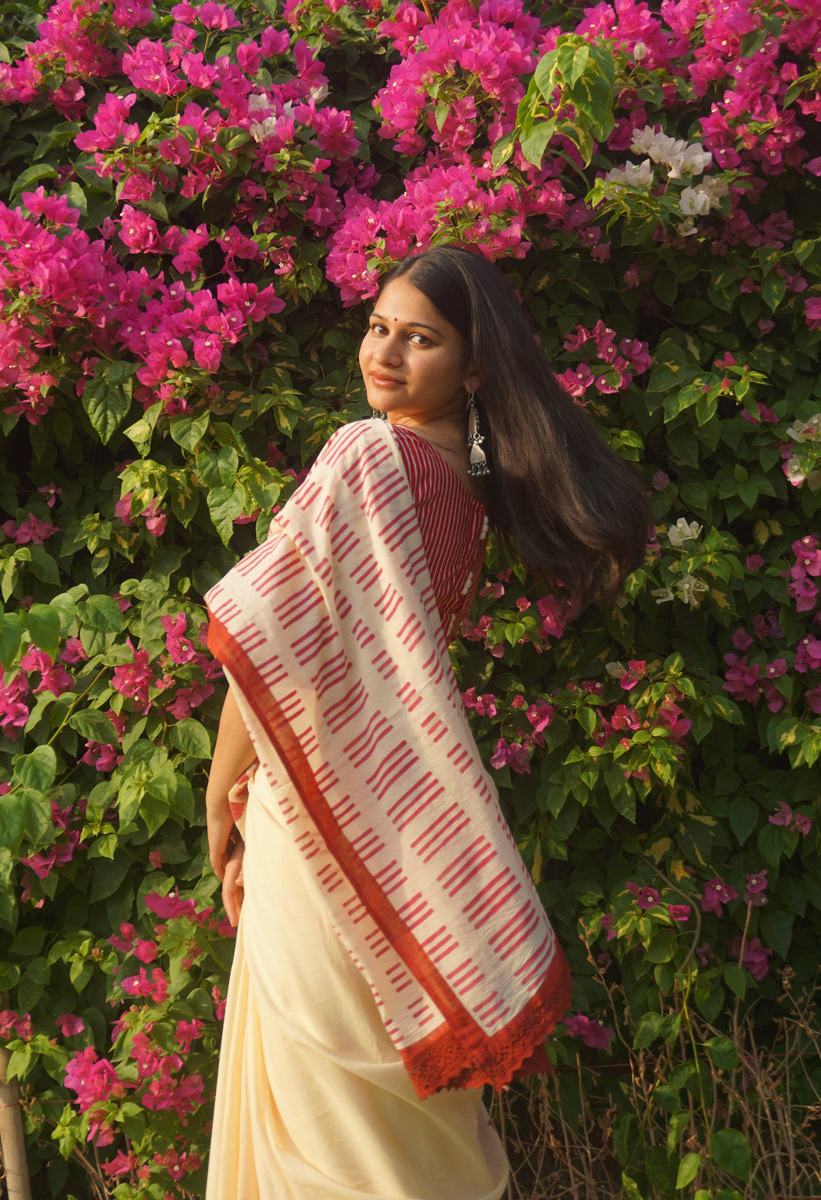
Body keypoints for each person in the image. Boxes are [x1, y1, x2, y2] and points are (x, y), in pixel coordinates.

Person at [202, 245, 651, 1199]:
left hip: (319, 830)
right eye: (378, 328)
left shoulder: (370, 454)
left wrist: (216, 799)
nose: (385, 354)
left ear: (474, 367)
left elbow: (272, 638)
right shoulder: (466, 490)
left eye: (420, 339)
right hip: (395, 840)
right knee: (379, 1131)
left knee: (324, 1131)